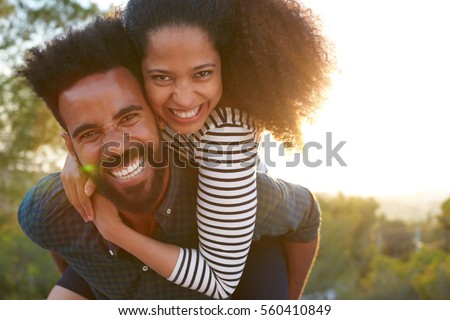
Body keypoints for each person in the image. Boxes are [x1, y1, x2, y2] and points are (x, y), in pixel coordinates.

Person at [17, 17, 321, 300]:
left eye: (129, 117)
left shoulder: (233, 196)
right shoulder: (48, 210)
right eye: (89, 134)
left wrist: (290, 301)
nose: (116, 147)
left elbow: (306, 215)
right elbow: (56, 237)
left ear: (158, 117)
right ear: (70, 147)